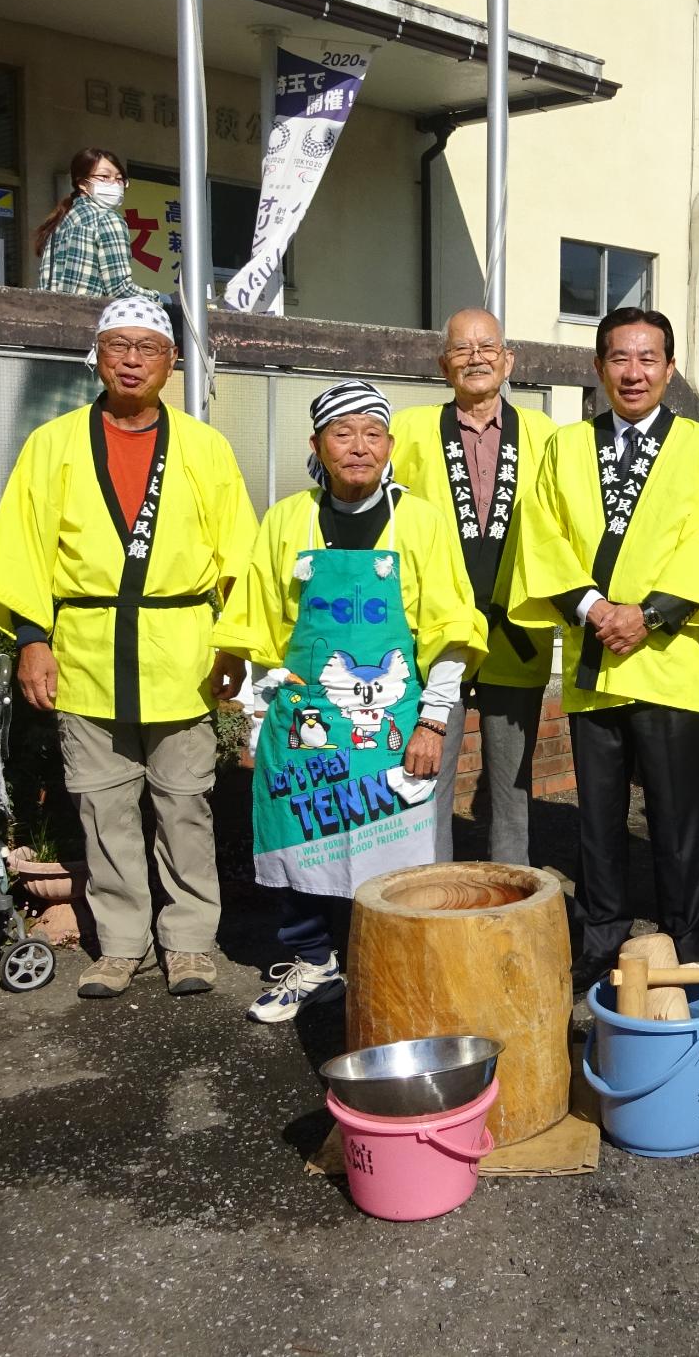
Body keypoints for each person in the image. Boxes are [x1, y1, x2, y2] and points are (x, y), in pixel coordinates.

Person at [0, 295, 255, 999]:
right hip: (89, 650)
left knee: (185, 805)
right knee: (103, 808)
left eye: (147, 348)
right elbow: (23, 550)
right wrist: (32, 639)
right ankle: (122, 944)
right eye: (117, 346)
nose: (131, 359)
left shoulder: (205, 447)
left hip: (181, 650)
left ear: (172, 362)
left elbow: (239, 555)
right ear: (96, 354)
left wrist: (234, 647)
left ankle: (189, 941)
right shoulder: (53, 444)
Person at [215, 380, 487, 1023]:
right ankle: (311, 962)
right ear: (317, 445)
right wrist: (260, 704)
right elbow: (259, 620)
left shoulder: (419, 520)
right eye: (343, 434)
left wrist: (434, 720)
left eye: (372, 434)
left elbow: (449, 629)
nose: (359, 447)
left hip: (394, 723)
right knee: (305, 835)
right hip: (306, 720)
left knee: (391, 850)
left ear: (390, 445)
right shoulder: (287, 519)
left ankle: (392, 965)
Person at [510, 308, 699, 984]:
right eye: (619, 358)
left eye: (648, 359)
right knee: (597, 817)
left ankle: (685, 936)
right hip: (594, 659)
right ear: (598, 367)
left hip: (668, 661)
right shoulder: (565, 446)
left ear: (669, 369)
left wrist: (648, 614)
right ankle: (602, 932)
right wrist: (592, 609)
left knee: (678, 817)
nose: (633, 372)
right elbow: (544, 534)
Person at [389, 308, 555, 863]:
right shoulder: (409, 430)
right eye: (462, 349)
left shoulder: (545, 434)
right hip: (438, 629)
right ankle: (428, 891)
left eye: (488, 347)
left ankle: (513, 891)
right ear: (443, 365)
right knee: (428, 769)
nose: (476, 357)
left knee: (511, 781)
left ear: (508, 360)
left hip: (517, 626)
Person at [34, 148, 151, 300]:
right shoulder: (106, 218)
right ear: (82, 183)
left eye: (119, 178)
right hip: (93, 319)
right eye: (104, 176)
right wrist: (163, 299)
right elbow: (120, 289)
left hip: (54, 316)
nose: (114, 183)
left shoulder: (60, 223)